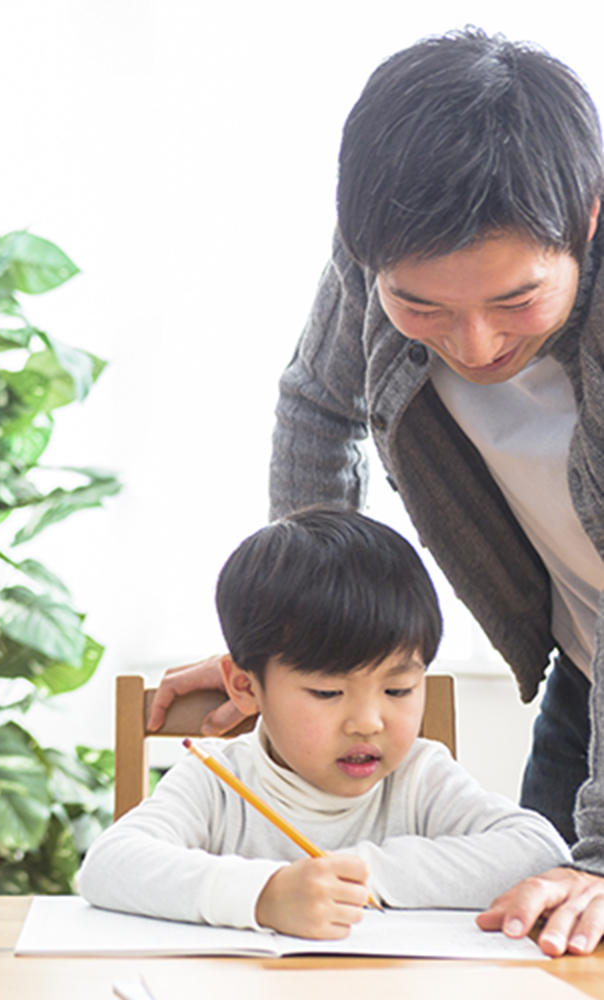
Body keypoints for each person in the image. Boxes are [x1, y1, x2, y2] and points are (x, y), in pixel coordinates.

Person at [145, 28, 604, 954]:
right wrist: (298, 633)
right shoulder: (378, 253)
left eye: (515, 301)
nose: (472, 348)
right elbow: (319, 404)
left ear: (589, 219)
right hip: (586, 660)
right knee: (534, 940)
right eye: (422, 306)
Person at [81, 508, 569, 939]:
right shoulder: (217, 779)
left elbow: (539, 854)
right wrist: (264, 895)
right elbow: (109, 864)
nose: (367, 722)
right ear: (246, 688)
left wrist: (356, 876)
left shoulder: (419, 776)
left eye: (398, 690)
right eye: (327, 693)